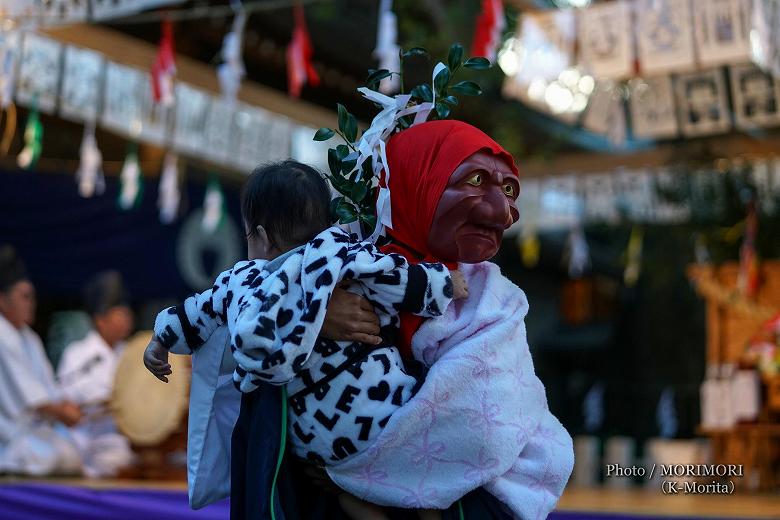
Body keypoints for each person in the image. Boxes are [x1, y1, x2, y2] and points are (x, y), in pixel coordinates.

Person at [145, 160, 467, 518]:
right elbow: (395, 279)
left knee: (352, 495)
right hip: (382, 411)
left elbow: (194, 314)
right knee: (425, 488)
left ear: (263, 238)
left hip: (320, 438)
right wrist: (443, 283)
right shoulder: (342, 254)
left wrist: (160, 340)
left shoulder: (242, 282)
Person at [0, 245, 82, 476]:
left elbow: (49, 392)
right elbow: (37, 401)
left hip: (34, 434)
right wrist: (64, 413)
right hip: (9, 442)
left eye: (32, 297)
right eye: (24, 296)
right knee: (59, 457)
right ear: (2, 300)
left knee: (71, 456)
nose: (31, 303)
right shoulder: (2, 333)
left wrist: (67, 406)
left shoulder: (29, 337)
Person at [56, 270, 134, 477]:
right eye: (119, 313)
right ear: (100, 320)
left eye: (127, 313)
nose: (127, 318)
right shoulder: (78, 353)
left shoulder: (131, 354)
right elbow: (66, 403)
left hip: (125, 443)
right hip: (86, 443)